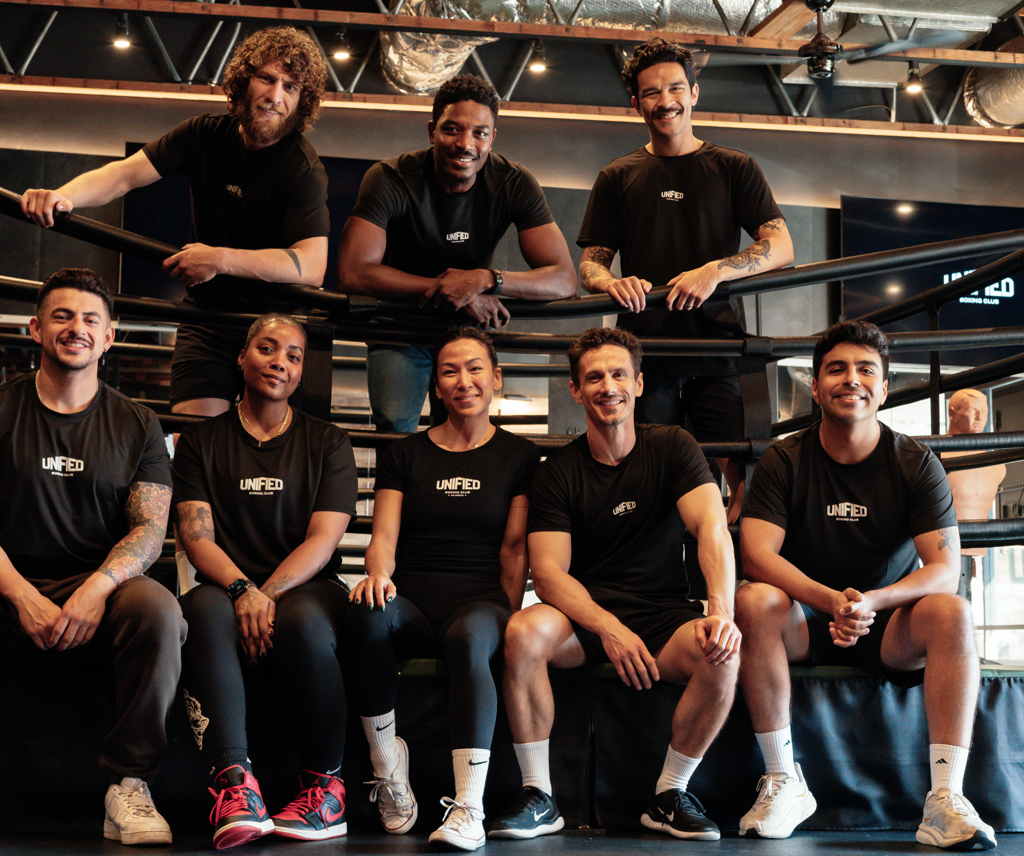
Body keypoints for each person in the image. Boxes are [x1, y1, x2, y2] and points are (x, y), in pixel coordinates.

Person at [0, 268, 183, 848]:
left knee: (159, 608)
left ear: (110, 338)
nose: (75, 329)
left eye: (90, 320)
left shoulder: (138, 424)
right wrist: (22, 594)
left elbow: (150, 533)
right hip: (4, 588)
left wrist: (96, 589)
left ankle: (129, 786)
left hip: (96, 592)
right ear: (35, 329)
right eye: (61, 316)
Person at [736, 320, 994, 850]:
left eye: (865, 371)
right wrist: (830, 601)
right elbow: (757, 556)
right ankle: (784, 779)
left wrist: (871, 601)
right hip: (806, 619)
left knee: (952, 611)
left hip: (888, 623)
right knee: (753, 598)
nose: (850, 379)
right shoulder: (783, 459)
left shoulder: (916, 462)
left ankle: (945, 798)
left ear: (881, 388)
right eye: (836, 369)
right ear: (816, 386)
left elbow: (945, 569)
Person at [490, 326, 740, 842]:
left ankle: (670, 794)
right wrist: (608, 628)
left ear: (640, 383)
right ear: (576, 390)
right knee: (522, 631)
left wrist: (720, 610)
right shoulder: (557, 471)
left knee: (723, 650)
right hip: (586, 616)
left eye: (619, 374)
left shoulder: (673, 446)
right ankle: (540, 795)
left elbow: (712, 528)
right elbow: (551, 574)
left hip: (664, 613)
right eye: (595, 377)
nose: (609, 386)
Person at [20, 26, 330, 420]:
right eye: (266, 79)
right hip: (207, 320)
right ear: (243, 82)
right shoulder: (203, 134)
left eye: (291, 87)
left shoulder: (302, 169)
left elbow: (311, 265)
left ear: (303, 101)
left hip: (277, 329)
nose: (275, 96)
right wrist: (62, 197)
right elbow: (125, 175)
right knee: (194, 451)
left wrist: (219, 259)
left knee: (267, 456)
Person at [577, 38, 794, 522]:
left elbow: (781, 246)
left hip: (717, 344)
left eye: (675, 88)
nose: (665, 100)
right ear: (637, 104)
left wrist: (716, 269)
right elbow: (591, 263)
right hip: (644, 350)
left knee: (742, 475)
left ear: (694, 92)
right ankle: (660, 585)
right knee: (649, 477)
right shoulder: (617, 175)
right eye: (651, 93)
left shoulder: (734, 166)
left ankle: (731, 591)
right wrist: (607, 283)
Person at [344, 327, 542, 851]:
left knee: (470, 639)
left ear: (496, 378)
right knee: (364, 614)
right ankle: (389, 768)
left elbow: (514, 548)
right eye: (450, 371)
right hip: (412, 601)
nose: (464, 381)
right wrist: (379, 577)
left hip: (479, 601)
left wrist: (510, 611)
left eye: (475, 368)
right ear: (435, 386)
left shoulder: (520, 456)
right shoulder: (405, 454)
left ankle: (469, 807)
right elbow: (383, 537)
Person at [172, 313, 357, 848]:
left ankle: (326, 789)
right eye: (267, 349)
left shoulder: (328, 442)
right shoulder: (200, 442)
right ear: (241, 357)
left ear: (301, 374)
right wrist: (240, 591)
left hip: (305, 588)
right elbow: (196, 537)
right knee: (201, 611)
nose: (279, 362)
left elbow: (323, 542)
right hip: (228, 587)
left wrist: (266, 595)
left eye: (293, 356)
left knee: (301, 620)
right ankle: (236, 787)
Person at [337, 73, 576, 434]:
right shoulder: (390, 177)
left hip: (467, 330)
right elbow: (354, 272)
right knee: (394, 429)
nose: (465, 143)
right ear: (432, 130)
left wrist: (484, 280)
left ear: (492, 138)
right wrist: (454, 294)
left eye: (480, 133)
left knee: (464, 434)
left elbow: (563, 279)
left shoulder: (513, 182)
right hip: (400, 325)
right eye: (452, 129)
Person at [944, 389, 1007, 598]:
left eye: (985, 411)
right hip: (940, 552)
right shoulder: (934, 457)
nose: (981, 418)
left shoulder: (997, 464)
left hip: (978, 552)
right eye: (973, 411)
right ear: (952, 414)